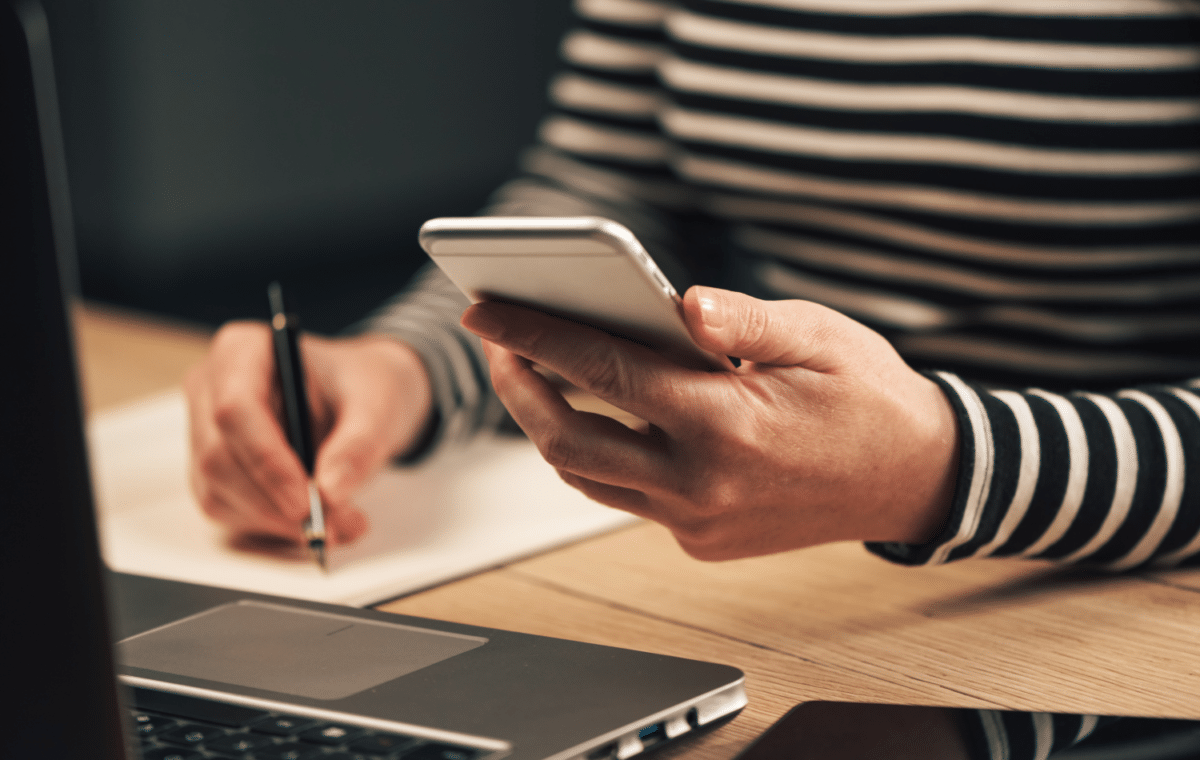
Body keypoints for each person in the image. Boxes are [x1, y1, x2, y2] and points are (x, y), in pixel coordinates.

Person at [184, 1, 1200, 757]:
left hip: (1132, 610)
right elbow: (603, 177)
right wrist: (397, 364)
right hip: (807, 577)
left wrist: (942, 466)